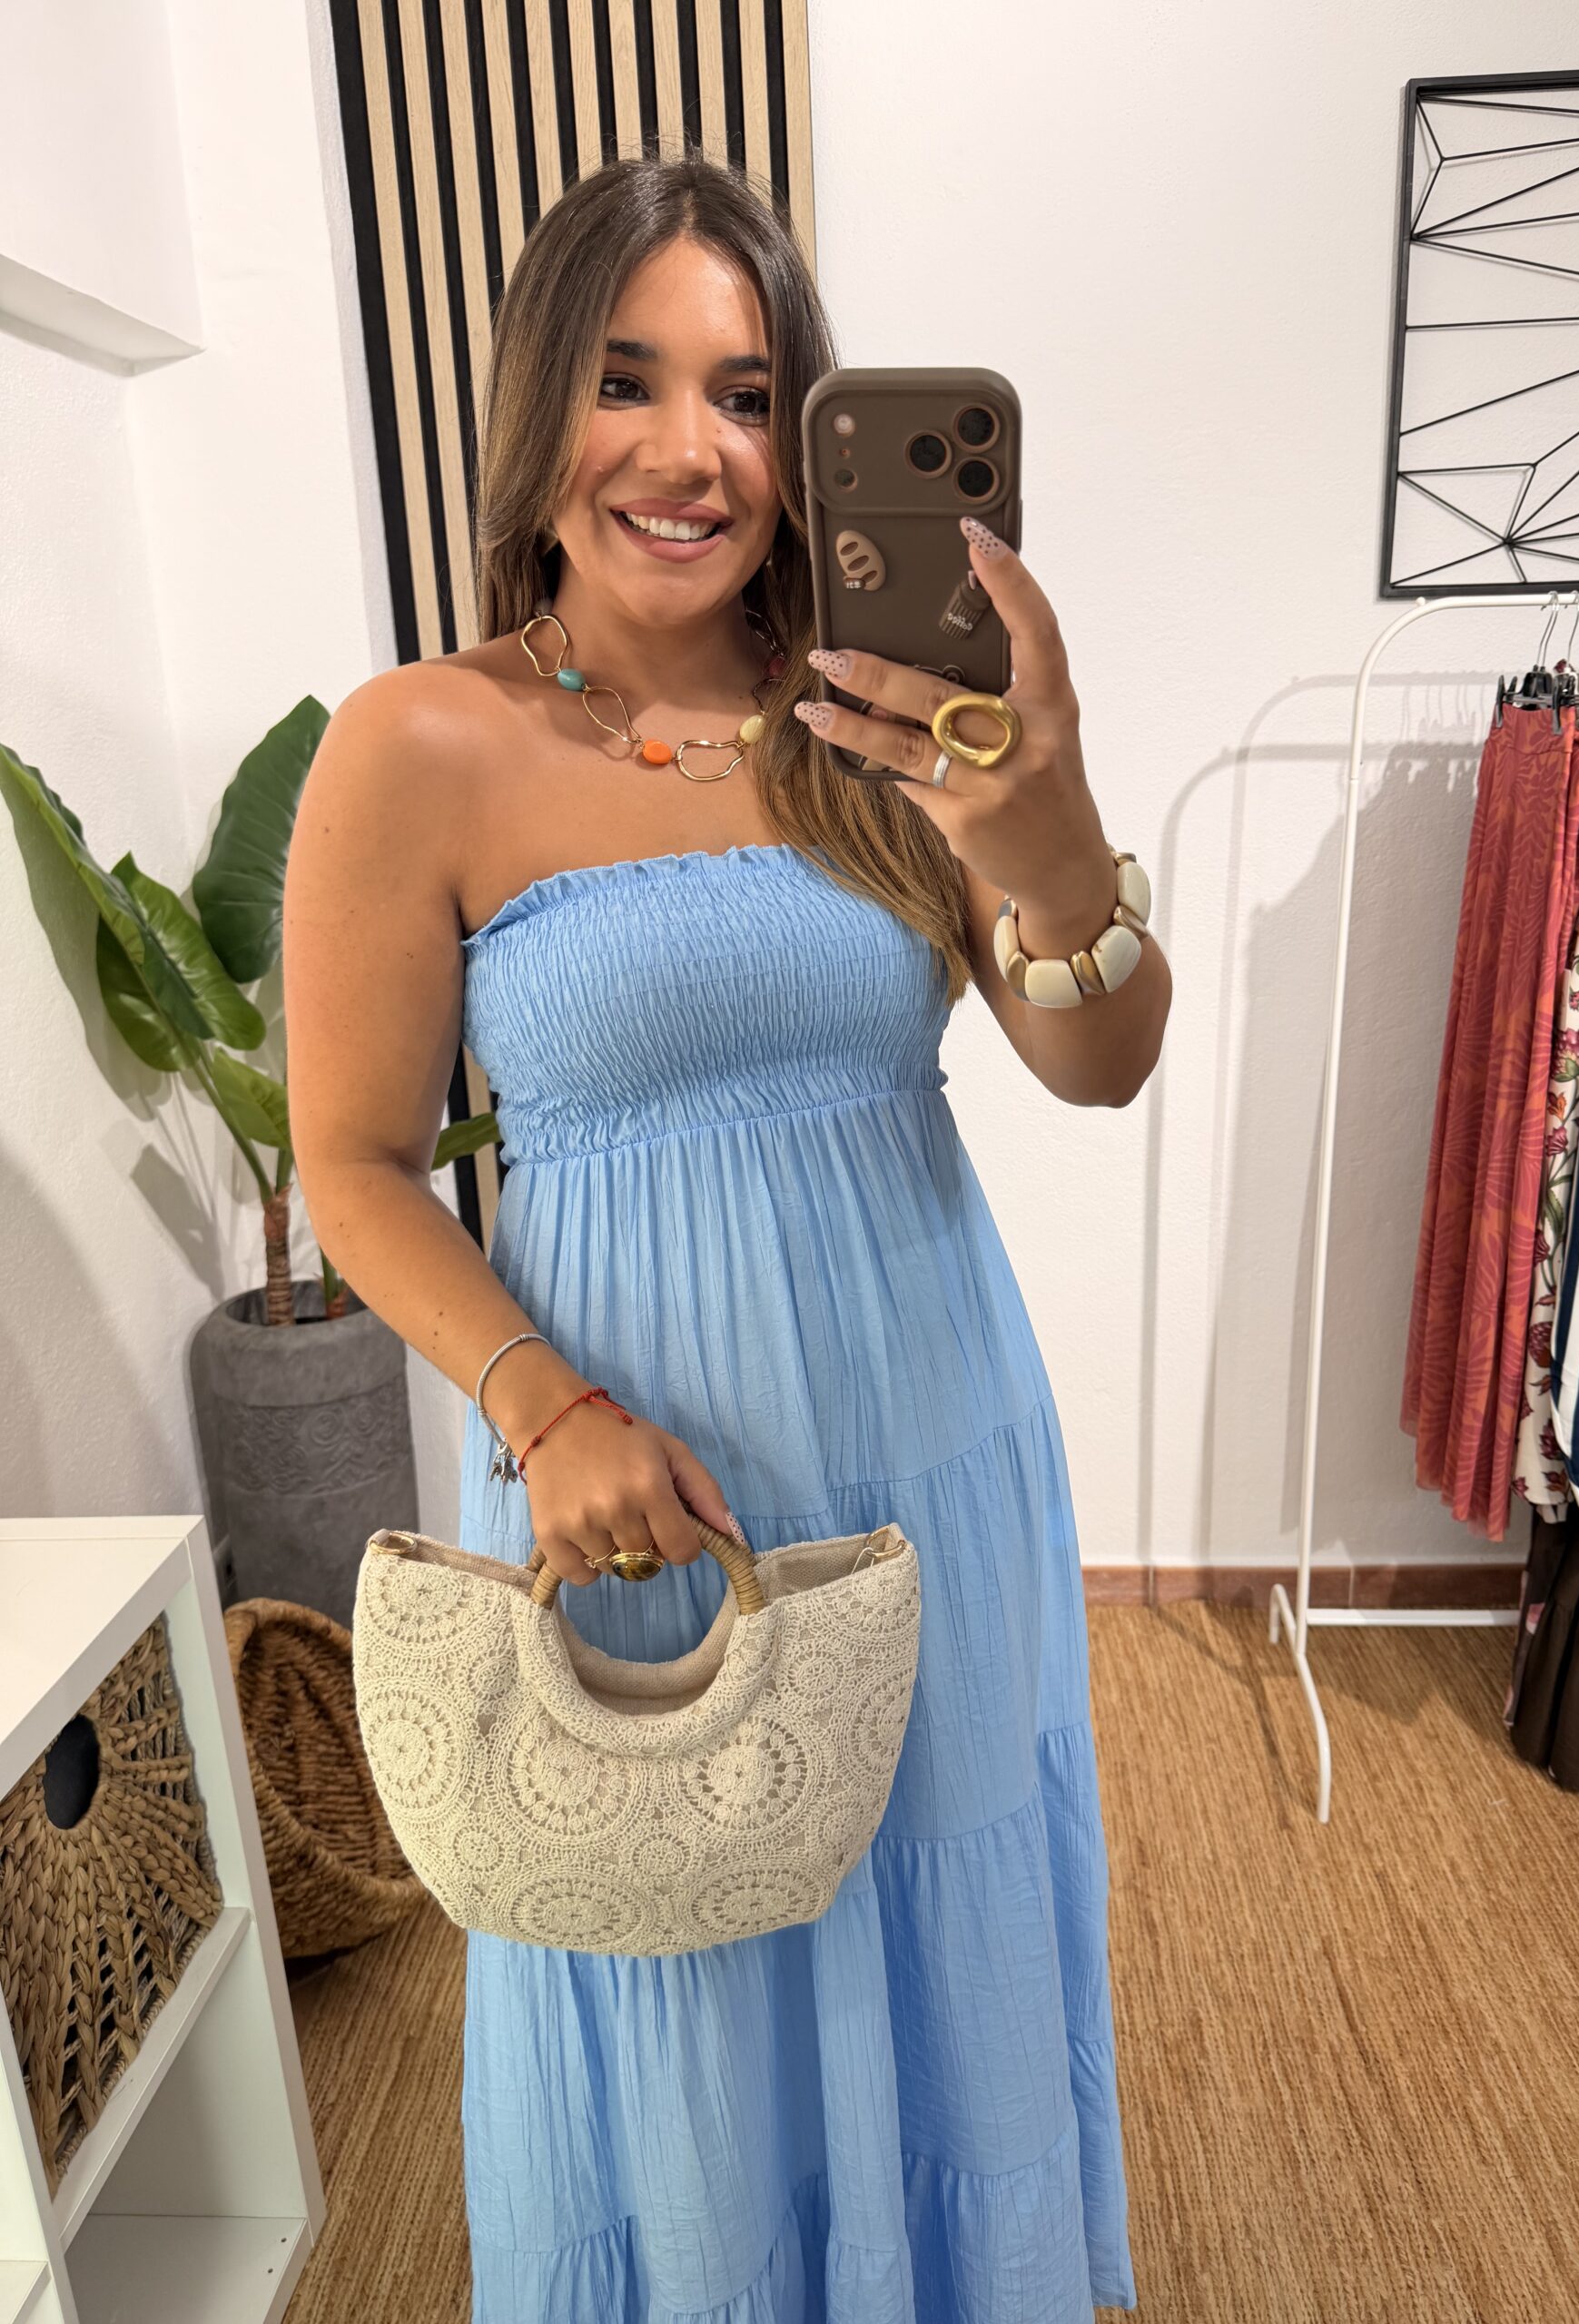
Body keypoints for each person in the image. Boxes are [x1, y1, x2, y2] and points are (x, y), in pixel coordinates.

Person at [284, 152, 1165, 2324]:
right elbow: (356, 1161)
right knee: (675, 1967)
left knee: (933, 1906)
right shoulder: (422, 742)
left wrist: (1049, 831)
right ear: (539, 404)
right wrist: (541, 1402)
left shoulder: (885, 709)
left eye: (752, 396)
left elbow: (1102, 1057)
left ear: (810, 440)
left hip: (931, 1446)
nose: (691, 450)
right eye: (629, 379)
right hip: (630, 1491)